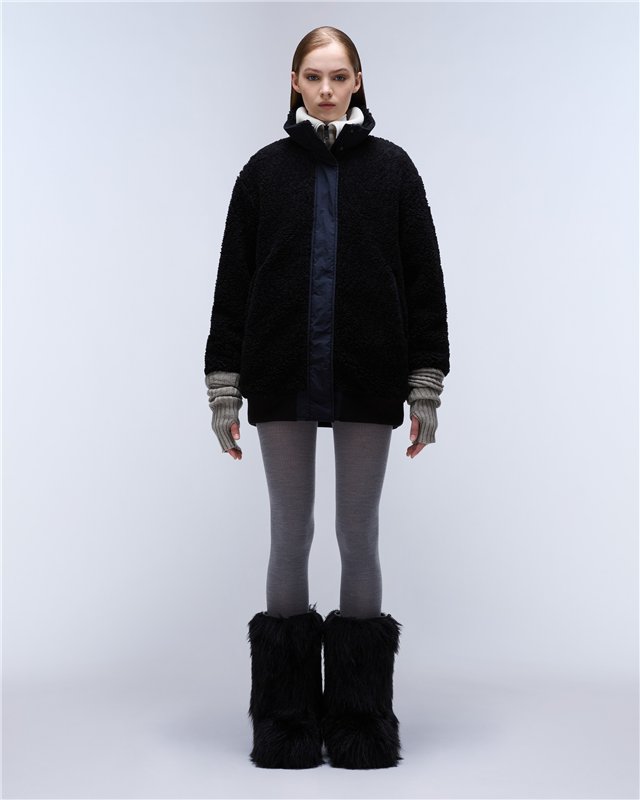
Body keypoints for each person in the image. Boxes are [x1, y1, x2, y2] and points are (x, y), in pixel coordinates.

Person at [203, 26, 450, 770]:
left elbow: (425, 281)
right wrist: (223, 387)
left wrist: (425, 385)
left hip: (369, 372)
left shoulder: (394, 170)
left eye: (339, 76)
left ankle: (359, 720)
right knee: (290, 531)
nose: (327, 89)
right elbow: (233, 282)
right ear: (294, 83)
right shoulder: (262, 173)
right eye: (313, 76)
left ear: (358, 81)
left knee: (357, 532)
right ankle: (284, 721)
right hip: (279, 370)